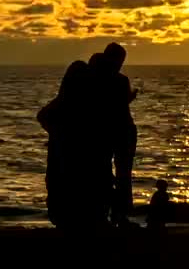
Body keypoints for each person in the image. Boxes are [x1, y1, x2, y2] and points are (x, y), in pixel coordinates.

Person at [38, 60, 104, 228]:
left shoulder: (66, 100)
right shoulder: (77, 101)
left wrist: (55, 132)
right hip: (67, 154)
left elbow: (43, 116)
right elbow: (43, 116)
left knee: (64, 190)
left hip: (62, 153)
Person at [100, 42, 138, 227]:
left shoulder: (97, 80)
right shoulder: (120, 80)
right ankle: (118, 214)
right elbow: (119, 105)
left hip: (110, 131)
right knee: (121, 175)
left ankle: (110, 214)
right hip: (121, 130)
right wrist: (129, 98)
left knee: (108, 173)